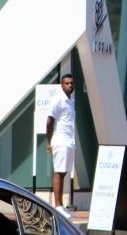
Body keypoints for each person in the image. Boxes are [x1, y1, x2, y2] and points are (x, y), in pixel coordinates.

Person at [46, 74, 76, 219]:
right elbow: (49, 122)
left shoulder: (71, 100)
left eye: (71, 83)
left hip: (70, 140)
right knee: (59, 171)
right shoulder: (57, 99)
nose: (70, 85)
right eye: (67, 83)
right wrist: (49, 142)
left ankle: (62, 206)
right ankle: (57, 206)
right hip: (60, 140)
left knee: (64, 172)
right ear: (61, 85)